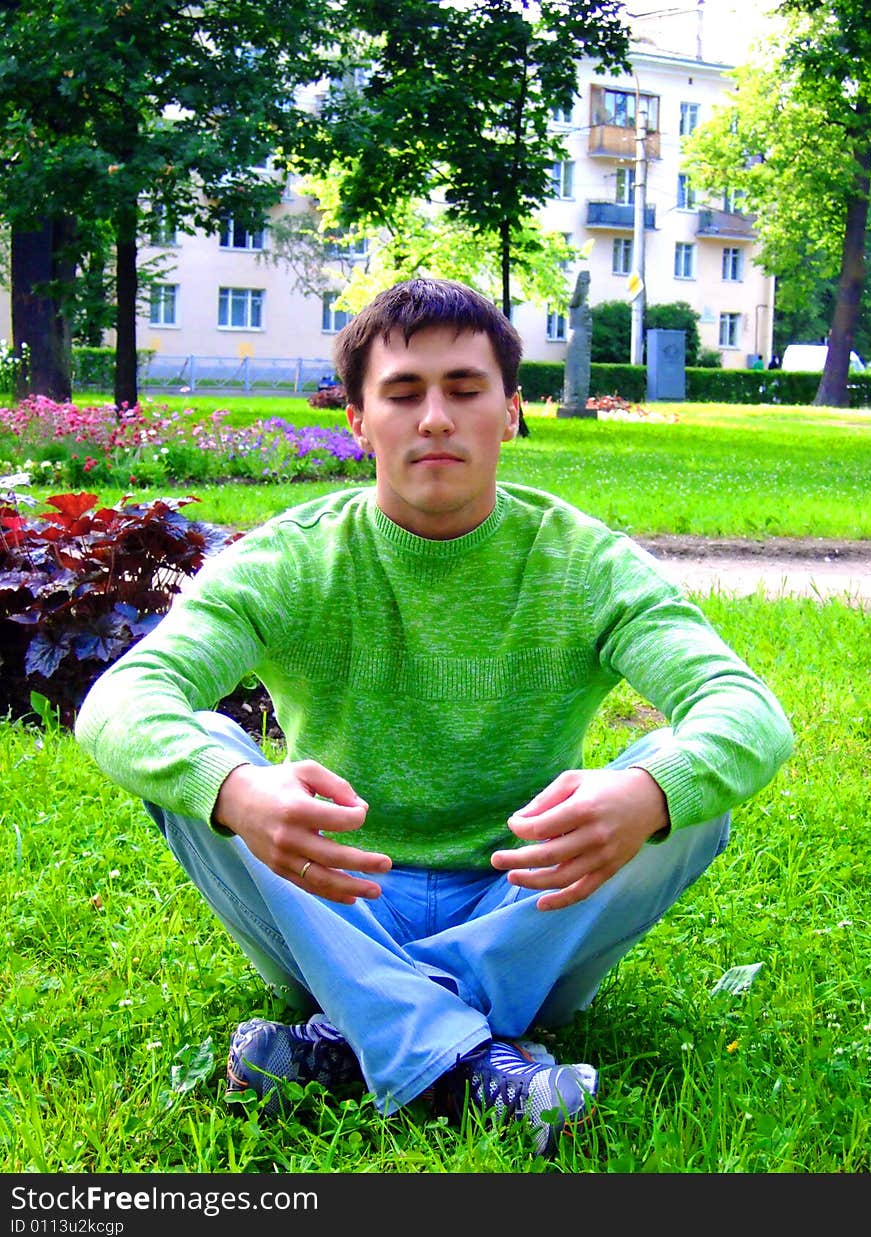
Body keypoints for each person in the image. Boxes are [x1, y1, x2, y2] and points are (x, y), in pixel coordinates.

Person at [75, 277, 794, 1157]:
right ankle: (480, 1059)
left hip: (525, 903)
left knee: (684, 787)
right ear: (357, 420)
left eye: (464, 388)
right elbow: (121, 700)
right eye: (404, 391)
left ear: (511, 411)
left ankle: (357, 1031)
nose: (435, 418)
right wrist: (238, 790)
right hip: (334, 901)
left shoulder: (584, 562)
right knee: (207, 761)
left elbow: (746, 710)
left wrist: (647, 791)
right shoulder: (290, 559)